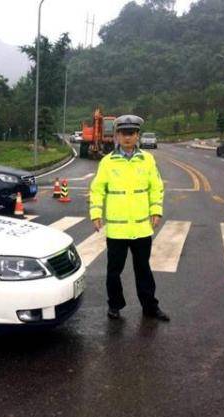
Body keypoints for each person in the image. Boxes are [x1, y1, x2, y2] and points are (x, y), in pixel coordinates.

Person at [89, 114, 170, 321]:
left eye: (131, 133)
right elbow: (97, 189)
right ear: (117, 135)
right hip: (117, 229)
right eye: (123, 133)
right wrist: (96, 213)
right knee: (113, 272)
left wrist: (156, 210)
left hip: (142, 228)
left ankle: (150, 306)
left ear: (137, 136)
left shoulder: (147, 159)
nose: (127, 138)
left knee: (143, 270)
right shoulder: (108, 162)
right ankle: (114, 305)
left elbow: (156, 187)